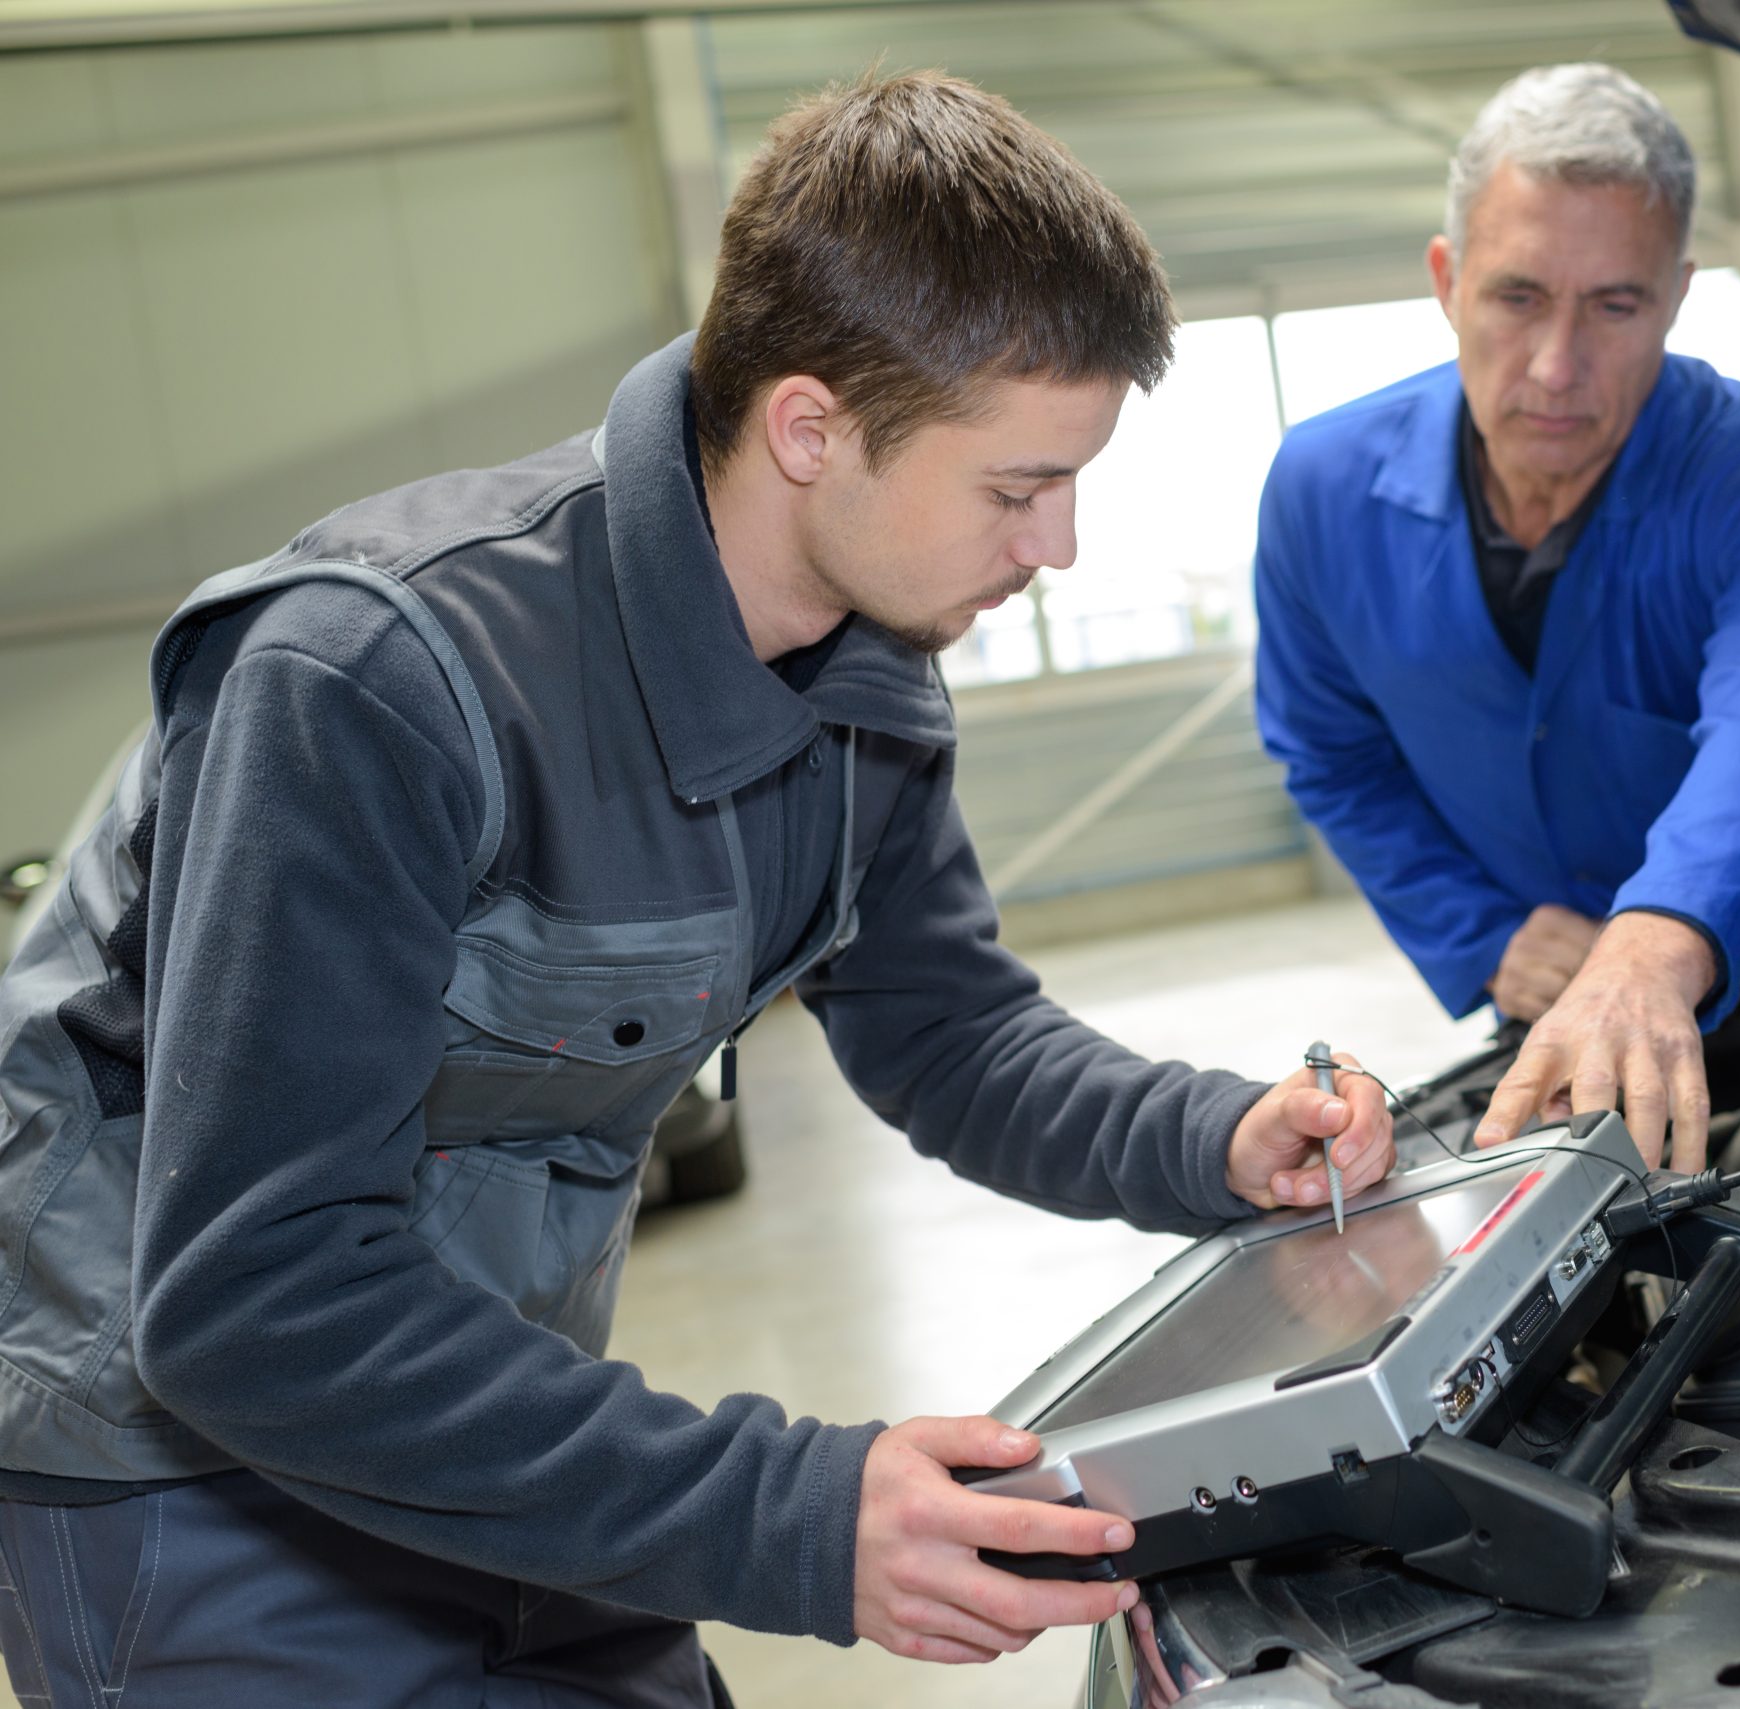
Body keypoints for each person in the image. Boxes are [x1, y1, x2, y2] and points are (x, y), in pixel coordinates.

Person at [0, 71, 1394, 1704]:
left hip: (494, 1410)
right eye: (1018, 486)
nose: (1060, 546)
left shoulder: (867, 688)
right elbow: (253, 1291)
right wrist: (792, 1511)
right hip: (180, 1468)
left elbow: (947, 1030)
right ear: (812, 428)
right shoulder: (375, 677)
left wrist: (1212, 1135)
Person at [1254, 64, 1740, 1176]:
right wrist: (1482, 933)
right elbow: (1333, 754)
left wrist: (1654, 938)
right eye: (1516, 296)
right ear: (1446, 280)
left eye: (1614, 304)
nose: (1557, 365)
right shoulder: (1320, 491)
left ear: (1678, 295)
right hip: (1548, 1003)